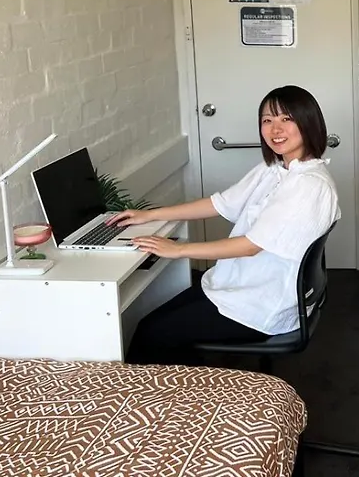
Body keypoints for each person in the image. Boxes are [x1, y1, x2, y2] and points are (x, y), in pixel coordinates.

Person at [115, 85, 340, 366]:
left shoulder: (308, 185)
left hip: (261, 303)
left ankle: (156, 392)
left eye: (287, 119)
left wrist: (178, 250)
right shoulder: (274, 169)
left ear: (308, 122)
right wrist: (151, 215)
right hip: (239, 283)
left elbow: (250, 246)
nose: (275, 129)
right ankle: (188, 382)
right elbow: (219, 203)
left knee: (151, 333)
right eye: (267, 120)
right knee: (154, 324)